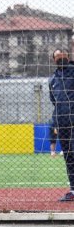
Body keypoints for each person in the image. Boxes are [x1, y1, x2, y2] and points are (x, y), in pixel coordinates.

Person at [48, 47, 74, 201]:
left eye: (63, 55)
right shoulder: (52, 80)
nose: (60, 58)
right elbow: (53, 101)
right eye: (57, 56)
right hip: (62, 122)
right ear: (53, 60)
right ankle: (73, 190)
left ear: (68, 56)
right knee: (69, 156)